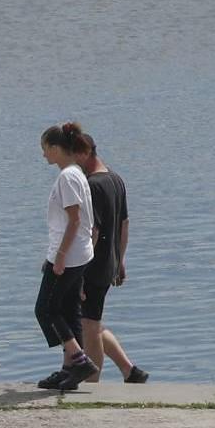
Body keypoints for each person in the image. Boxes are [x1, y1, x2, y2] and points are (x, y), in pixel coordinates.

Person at [34, 121, 97, 390]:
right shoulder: (77, 173)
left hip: (69, 255)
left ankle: (80, 360)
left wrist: (59, 257)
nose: (44, 154)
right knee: (70, 310)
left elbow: (74, 220)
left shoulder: (67, 177)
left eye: (46, 148)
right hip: (77, 253)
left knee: (46, 310)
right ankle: (69, 369)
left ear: (57, 148)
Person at [80, 134, 148, 383]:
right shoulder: (115, 179)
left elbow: (93, 232)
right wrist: (120, 260)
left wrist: (79, 270)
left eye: (75, 157)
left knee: (87, 324)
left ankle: (92, 384)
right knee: (90, 322)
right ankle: (129, 370)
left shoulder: (92, 185)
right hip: (109, 262)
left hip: (92, 265)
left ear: (85, 152)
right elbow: (124, 223)